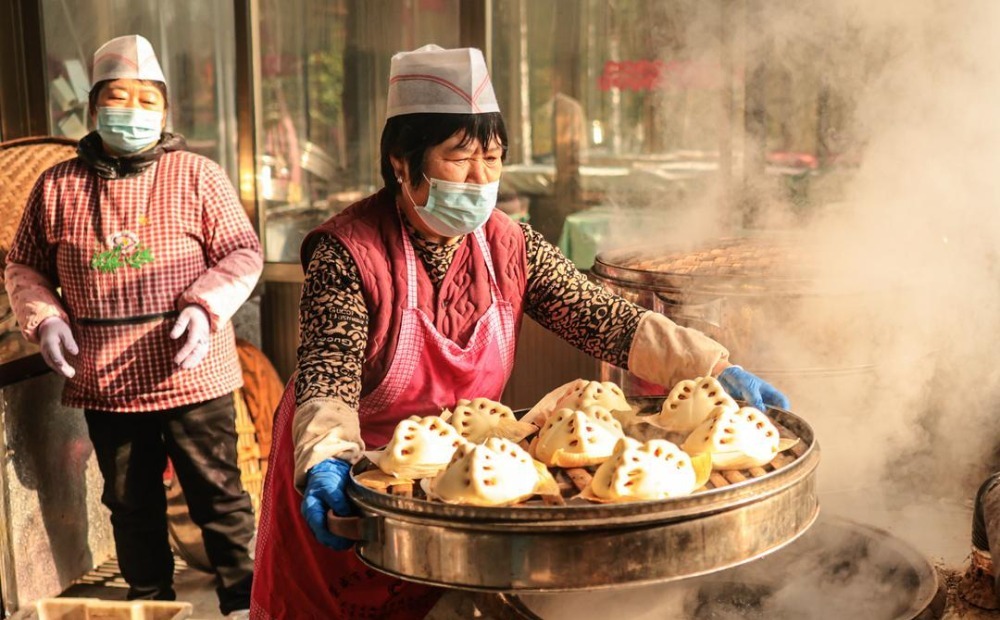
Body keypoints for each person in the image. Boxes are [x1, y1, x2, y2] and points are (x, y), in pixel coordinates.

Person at [250, 44, 789, 619]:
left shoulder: (510, 244)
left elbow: (604, 318)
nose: (481, 179)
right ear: (401, 163)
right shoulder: (349, 252)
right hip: (357, 492)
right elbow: (327, 378)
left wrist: (707, 366)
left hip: (462, 498)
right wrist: (328, 462)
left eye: (493, 157)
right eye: (460, 159)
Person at [3, 35, 260, 618]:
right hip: (108, 377)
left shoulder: (199, 175)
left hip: (192, 370)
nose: (133, 112)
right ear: (94, 108)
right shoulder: (57, 186)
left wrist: (204, 306)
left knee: (218, 497)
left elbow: (243, 252)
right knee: (129, 501)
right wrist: (45, 318)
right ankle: (151, 605)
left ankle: (246, 604)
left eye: (148, 100)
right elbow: (23, 265)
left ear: (166, 112)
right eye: (119, 98)